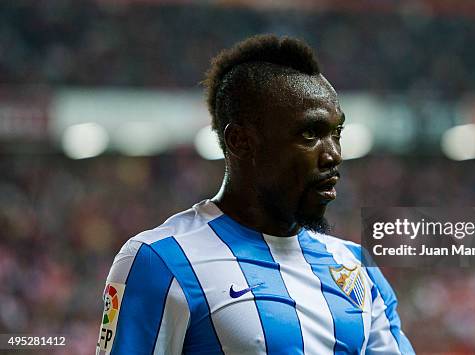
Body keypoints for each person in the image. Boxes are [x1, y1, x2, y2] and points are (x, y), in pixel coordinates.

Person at [96, 34, 415, 355]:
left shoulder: (356, 267)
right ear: (240, 141)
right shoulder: (160, 260)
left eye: (336, 134)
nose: (333, 155)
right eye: (309, 134)